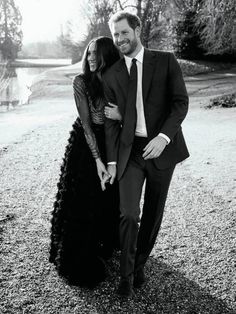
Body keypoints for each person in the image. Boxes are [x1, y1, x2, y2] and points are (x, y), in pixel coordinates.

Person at [103, 11, 190, 297]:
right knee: (128, 214)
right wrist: (113, 161)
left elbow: (180, 103)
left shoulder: (165, 61)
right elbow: (114, 124)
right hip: (132, 152)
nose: (119, 40)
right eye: (115, 35)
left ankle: (139, 263)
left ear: (137, 30)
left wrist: (164, 138)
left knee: (153, 215)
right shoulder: (113, 74)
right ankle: (126, 275)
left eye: (124, 33)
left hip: (161, 149)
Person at [49, 36, 122, 288]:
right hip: (86, 145)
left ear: (107, 57)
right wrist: (98, 160)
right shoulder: (80, 82)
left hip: (111, 142)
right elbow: (88, 126)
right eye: (88, 53)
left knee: (110, 197)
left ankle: (105, 245)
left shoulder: (117, 80)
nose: (91, 58)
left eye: (96, 54)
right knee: (83, 201)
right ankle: (80, 255)